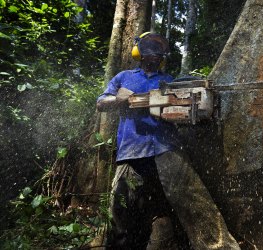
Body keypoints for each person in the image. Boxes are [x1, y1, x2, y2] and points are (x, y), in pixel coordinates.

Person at [97, 32, 240, 250]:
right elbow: (101, 103)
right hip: (131, 152)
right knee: (123, 210)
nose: (154, 53)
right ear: (139, 51)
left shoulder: (170, 81)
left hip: (167, 149)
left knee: (192, 200)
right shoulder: (124, 77)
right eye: (149, 47)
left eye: (159, 48)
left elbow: (187, 109)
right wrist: (117, 99)